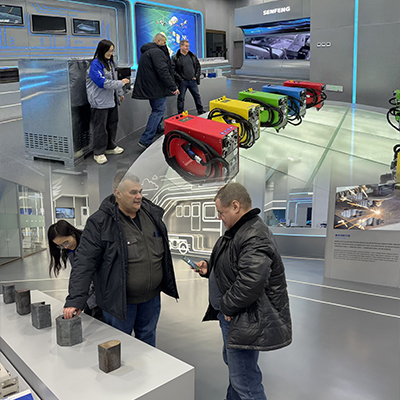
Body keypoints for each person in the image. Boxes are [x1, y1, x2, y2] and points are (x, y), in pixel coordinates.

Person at [192, 182, 292, 400]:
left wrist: (228, 306)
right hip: (236, 317)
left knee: (246, 382)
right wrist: (210, 269)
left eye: (221, 212)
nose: (220, 217)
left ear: (235, 206)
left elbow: (252, 280)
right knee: (237, 374)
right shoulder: (239, 231)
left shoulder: (254, 235)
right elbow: (234, 268)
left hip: (241, 318)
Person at [63, 171, 179, 347]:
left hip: (151, 298)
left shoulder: (151, 215)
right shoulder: (99, 222)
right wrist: (75, 299)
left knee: (148, 339)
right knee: (118, 344)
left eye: (140, 191)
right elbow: (84, 262)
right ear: (118, 193)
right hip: (119, 300)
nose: (139, 196)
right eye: (133, 192)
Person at [48, 220, 103, 321]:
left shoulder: (89, 247)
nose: (65, 247)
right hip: (88, 296)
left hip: (100, 296)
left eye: (66, 242)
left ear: (72, 233)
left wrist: (78, 299)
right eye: (60, 246)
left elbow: (90, 276)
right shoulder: (70, 250)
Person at [86, 39, 130, 165]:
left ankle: (110, 146)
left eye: (112, 51)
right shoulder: (95, 65)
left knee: (112, 123)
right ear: (102, 50)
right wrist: (121, 83)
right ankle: (98, 152)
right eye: (109, 51)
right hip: (99, 101)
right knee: (100, 127)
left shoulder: (110, 63)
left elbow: (114, 78)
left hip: (111, 99)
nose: (111, 53)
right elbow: (102, 83)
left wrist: (120, 93)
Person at [132, 33, 179, 149]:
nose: (165, 45)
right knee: (159, 111)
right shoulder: (157, 52)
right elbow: (163, 71)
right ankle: (145, 139)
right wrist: (173, 86)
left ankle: (157, 128)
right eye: (164, 42)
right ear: (158, 41)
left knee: (156, 110)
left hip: (151, 88)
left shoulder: (147, 51)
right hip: (157, 88)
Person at [172, 39, 205, 115]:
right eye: (186, 46)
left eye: (188, 46)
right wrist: (180, 79)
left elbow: (198, 67)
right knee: (181, 98)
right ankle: (180, 113)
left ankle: (200, 110)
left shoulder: (192, 56)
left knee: (197, 96)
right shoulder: (175, 58)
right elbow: (172, 70)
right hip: (182, 82)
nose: (187, 48)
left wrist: (196, 76)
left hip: (192, 81)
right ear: (181, 46)